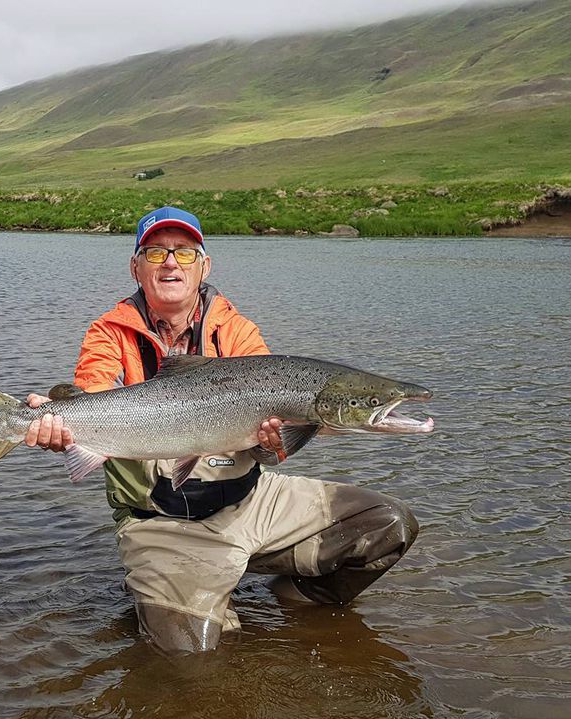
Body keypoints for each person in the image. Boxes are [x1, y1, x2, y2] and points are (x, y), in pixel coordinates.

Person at [24, 206, 419, 654]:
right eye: (155, 253)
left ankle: (294, 603)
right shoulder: (109, 333)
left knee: (388, 526)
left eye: (185, 253)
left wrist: (272, 447)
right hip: (161, 523)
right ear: (136, 267)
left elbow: (271, 447)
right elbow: (91, 394)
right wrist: (60, 425)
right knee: (192, 661)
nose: (171, 263)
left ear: (204, 265)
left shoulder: (237, 331)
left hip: (249, 504)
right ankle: (202, 596)